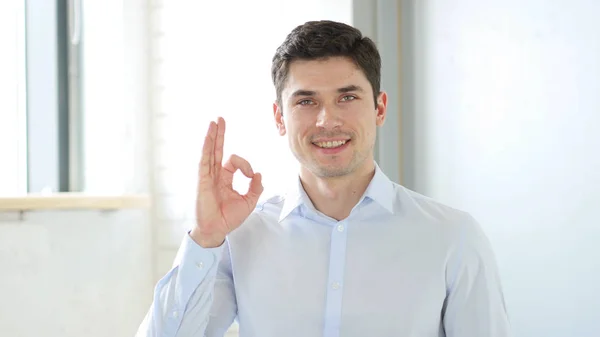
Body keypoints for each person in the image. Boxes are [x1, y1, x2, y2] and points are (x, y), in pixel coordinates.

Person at [136, 20, 511, 337]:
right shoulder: (242, 237)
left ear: (379, 107)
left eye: (347, 98)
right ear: (279, 118)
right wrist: (205, 238)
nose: (326, 121)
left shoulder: (453, 237)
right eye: (306, 101)